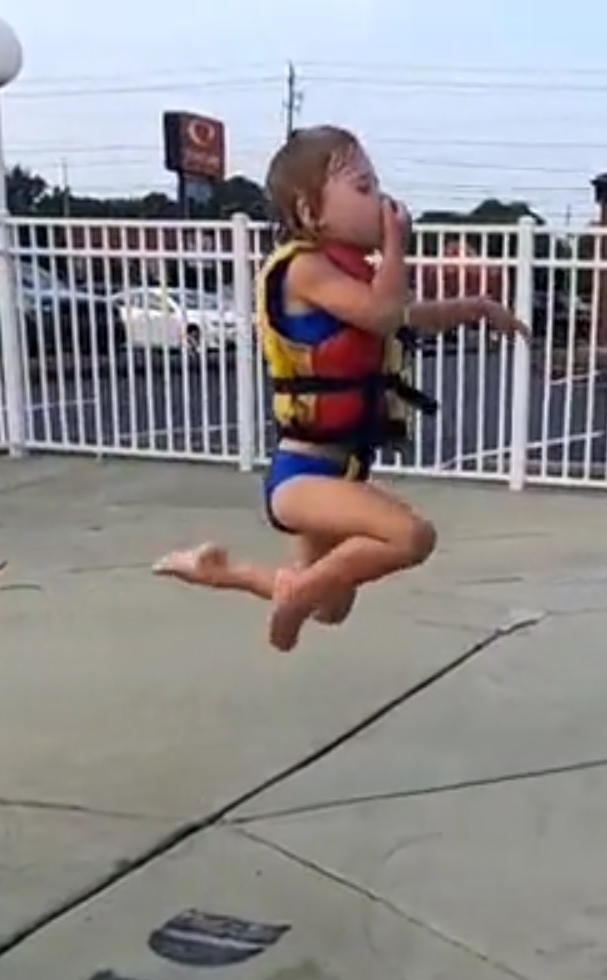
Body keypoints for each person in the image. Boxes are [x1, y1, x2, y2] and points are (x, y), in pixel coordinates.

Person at [152, 126, 524, 651]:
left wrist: (478, 308)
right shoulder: (305, 270)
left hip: (341, 470)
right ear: (309, 211)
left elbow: (409, 317)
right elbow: (384, 314)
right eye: (364, 188)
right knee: (411, 537)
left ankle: (219, 571)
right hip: (303, 474)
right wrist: (396, 244)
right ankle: (296, 596)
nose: (382, 202)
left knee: (332, 607)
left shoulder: (347, 282)